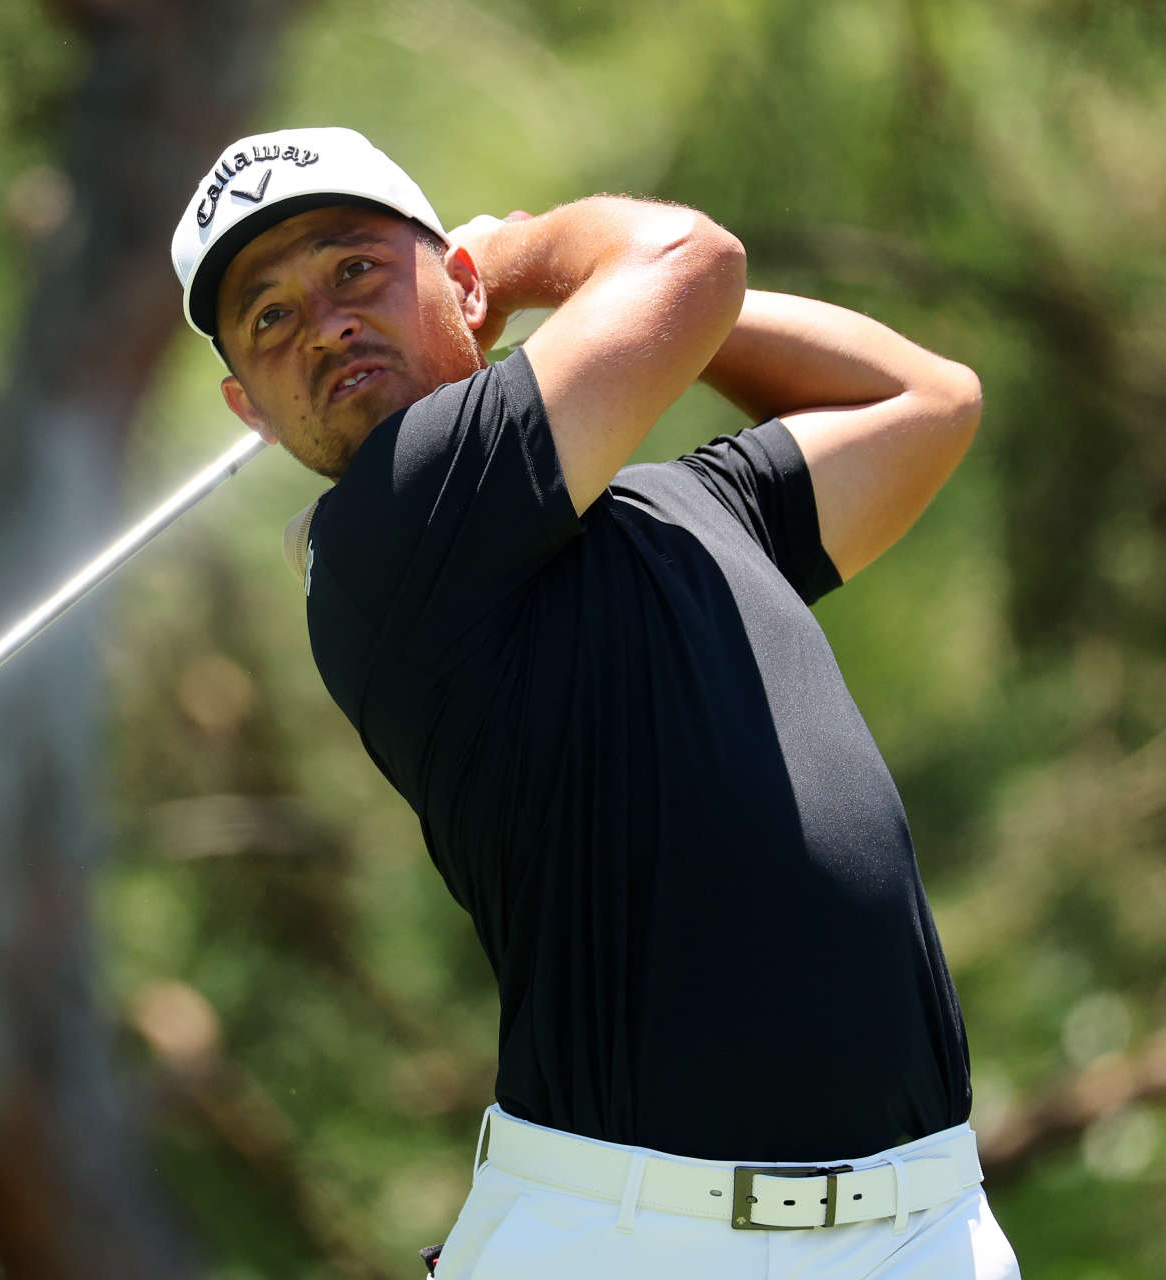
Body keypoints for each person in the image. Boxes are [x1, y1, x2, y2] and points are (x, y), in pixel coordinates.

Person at [171, 126, 1019, 1278]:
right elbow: (690, 260)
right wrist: (523, 260)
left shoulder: (689, 509)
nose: (322, 325)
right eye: (270, 316)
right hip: (636, 1236)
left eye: (354, 269)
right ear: (250, 409)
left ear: (452, 286)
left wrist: (604, 314)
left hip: (922, 1226)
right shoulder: (385, 527)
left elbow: (927, 399)